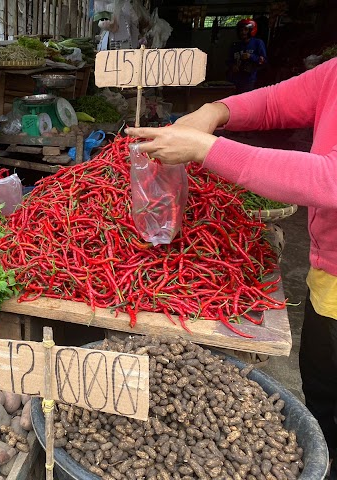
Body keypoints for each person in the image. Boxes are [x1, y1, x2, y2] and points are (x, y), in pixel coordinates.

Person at [125, 57, 337, 478]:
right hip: (327, 275)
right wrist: (212, 112)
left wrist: (207, 149)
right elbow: (277, 102)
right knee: (323, 397)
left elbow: (329, 180)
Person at [228, 18, 267, 93]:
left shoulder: (257, 43)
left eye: (245, 30)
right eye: (241, 30)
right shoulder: (235, 45)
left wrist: (251, 56)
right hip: (236, 80)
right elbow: (229, 60)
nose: (243, 32)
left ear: (251, 30)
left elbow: (264, 61)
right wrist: (232, 66)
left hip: (252, 80)